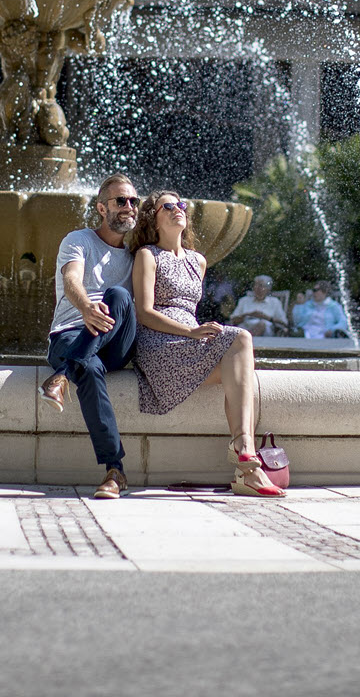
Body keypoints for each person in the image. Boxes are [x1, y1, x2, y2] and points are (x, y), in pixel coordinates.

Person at [130, 191, 284, 498]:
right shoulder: (147, 255)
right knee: (241, 339)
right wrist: (190, 332)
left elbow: (190, 309)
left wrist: (194, 333)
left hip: (188, 340)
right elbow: (144, 313)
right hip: (159, 344)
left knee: (239, 368)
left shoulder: (197, 261)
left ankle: (247, 465)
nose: (178, 210)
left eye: (181, 205)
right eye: (168, 206)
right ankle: (244, 451)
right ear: (154, 218)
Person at [42, 173, 140, 499]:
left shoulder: (138, 255)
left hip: (116, 343)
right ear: (101, 207)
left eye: (133, 201)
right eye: (120, 201)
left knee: (119, 296)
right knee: (90, 367)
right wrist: (86, 307)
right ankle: (115, 470)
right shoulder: (78, 240)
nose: (129, 207)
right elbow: (71, 279)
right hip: (69, 335)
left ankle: (63, 375)